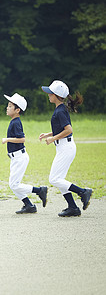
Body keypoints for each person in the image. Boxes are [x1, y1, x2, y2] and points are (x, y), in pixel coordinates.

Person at [40, 80, 93, 217]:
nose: (48, 94)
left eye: (50, 92)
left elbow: (68, 130)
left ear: (56, 95)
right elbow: (61, 129)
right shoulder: (60, 109)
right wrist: (49, 134)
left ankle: (82, 192)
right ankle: (73, 207)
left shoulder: (60, 111)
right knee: (59, 179)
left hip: (66, 147)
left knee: (54, 179)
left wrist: (52, 139)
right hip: (64, 147)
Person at [2, 93, 48, 214]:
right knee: (13, 184)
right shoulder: (14, 121)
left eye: (10, 106)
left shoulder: (16, 122)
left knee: (14, 185)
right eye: (8, 105)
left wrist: (7, 139)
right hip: (15, 157)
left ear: (17, 110)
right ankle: (29, 205)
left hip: (19, 157)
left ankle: (39, 190)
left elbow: (22, 139)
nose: (7, 108)